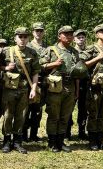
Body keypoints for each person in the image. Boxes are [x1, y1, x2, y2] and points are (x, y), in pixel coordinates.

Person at [40, 25, 83, 153]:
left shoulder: (74, 52)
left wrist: (76, 90)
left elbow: (77, 72)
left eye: (70, 34)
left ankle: (61, 141)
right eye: (66, 34)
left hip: (70, 86)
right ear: (59, 36)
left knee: (65, 116)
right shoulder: (51, 50)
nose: (69, 36)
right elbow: (39, 66)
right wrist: (54, 64)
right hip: (55, 86)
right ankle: (52, 142)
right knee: (54, 115)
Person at [0, 28, 40, 154]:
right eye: (20, 37)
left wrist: (33, 89)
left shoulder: (32, 53)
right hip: (9, 88)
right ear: (15, 38)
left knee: (21, 116)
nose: (22, 39)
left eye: (25, 37)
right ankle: (6, 141)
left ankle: (17, 141)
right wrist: (6, 67)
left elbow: (35, 73)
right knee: (7, 115)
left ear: (28, 38)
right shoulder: (6, 51)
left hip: (24, 88)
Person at [23, 22, 48, 142]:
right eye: (36, 30)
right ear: (33, 32)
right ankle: (23, 135)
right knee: (25, 109)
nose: (39, 33)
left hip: (42, 81)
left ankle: (33, 134)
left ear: (43, 32)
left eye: (41, 31)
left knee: (37, 110)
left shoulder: (47, 47)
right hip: (28, 81)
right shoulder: (27, 46)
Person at [65, 28, 88, 141]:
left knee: (83, 109)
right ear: (74, 39)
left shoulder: (90, 50)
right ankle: (67, 131)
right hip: (73, 83)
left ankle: (82, 131)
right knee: (69, 108)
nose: (81, 39)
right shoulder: (71, 51)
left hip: (86, 83)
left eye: (83, 37)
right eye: (78, 37)